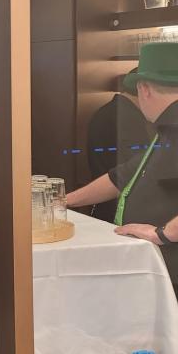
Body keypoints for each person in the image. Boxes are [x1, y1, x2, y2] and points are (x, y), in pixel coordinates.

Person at [67, 42, 178, 297]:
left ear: (144, 89)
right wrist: (64, 200)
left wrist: (163, 233)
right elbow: (123, 175)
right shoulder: (167, 129)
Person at [85, 68, 152, 222]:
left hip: (106, 205)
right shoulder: (128, 119)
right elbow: (134, 172)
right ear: (144, 90)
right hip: (120, 212)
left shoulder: (107, 111)